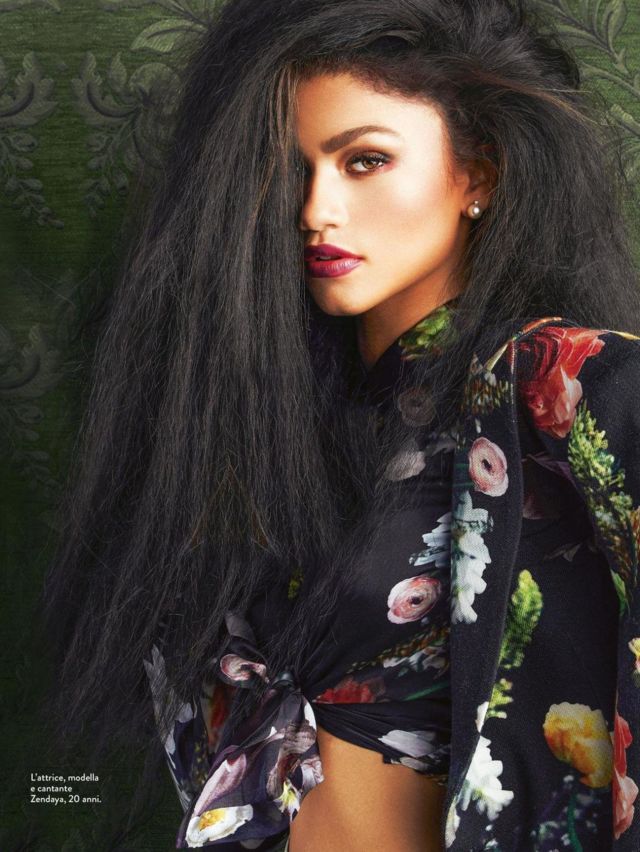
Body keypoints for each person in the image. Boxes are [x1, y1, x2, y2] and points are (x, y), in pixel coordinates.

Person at [39, 0, 640, 849]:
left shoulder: (556, 381)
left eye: (365, 160)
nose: (315, 209)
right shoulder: (256, 418)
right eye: (291, 168)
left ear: (479, 175)